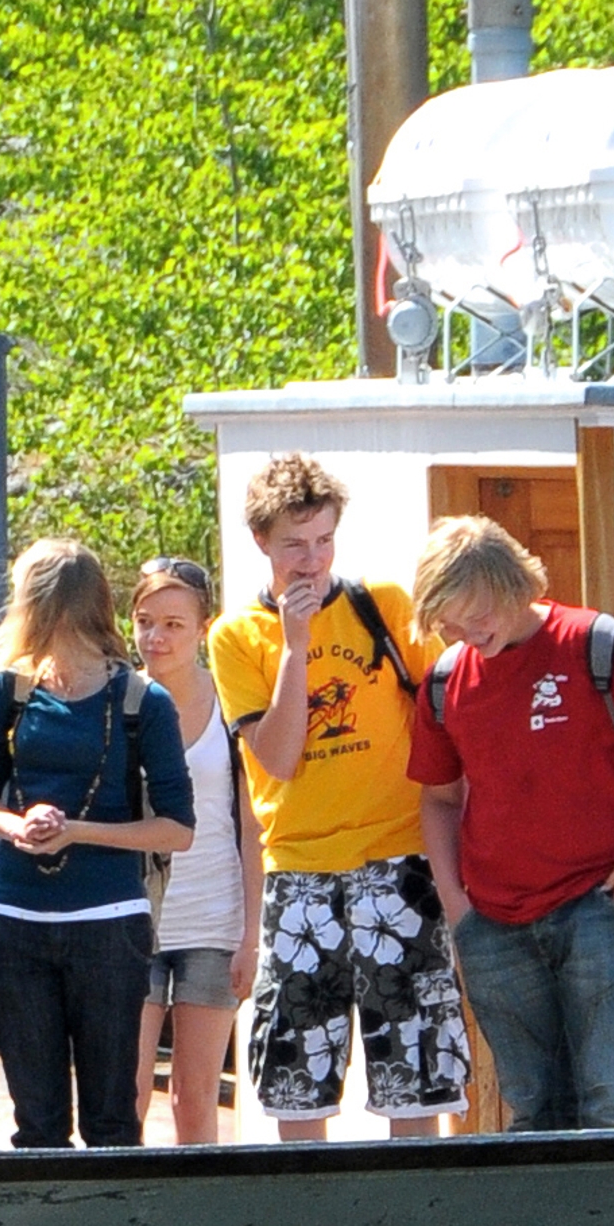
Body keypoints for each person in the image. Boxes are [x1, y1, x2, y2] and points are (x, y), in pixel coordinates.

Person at [405, 516, 614, 1133]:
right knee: (535, 1112)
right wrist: (457, 905)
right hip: (494, 924)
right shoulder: (445, 680)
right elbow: (439, 798)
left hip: (606, 905)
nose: (466, 634)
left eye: (476, 614)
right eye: (449, 624)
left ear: (512, 583)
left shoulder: (594, 642)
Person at [203, 455, 467, 1142]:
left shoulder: (386, 605)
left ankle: (420, 1201)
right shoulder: (236, 636)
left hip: (399, 862)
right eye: (294, 544)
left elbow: (451, 720)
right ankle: (310, 1203)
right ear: (261, 541)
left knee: (415, 1072)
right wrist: (295, 647)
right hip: (300, 871)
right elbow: (278, 758)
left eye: (324, 541)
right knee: (297, 1081)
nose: (312, 560)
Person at [0, 539, 194, 1149]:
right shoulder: (12, 689)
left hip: (109, 925)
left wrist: (76, 831)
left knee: (112, 1121)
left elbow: (178, 828)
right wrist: (18, 826)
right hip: (17, 922)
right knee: (36, 1125)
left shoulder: (142, 700)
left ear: (39, 606)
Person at [129, 556, 257, 1144]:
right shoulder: (121, 700)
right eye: (145, 622)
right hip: (135, 915)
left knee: (196, 1094)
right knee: (125, 1089)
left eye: (174, 624)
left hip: (214, 917)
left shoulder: (230, 702)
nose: (156, 637)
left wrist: (251, 935)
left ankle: (199, 1198)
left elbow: (252, 824)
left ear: (203, 629)